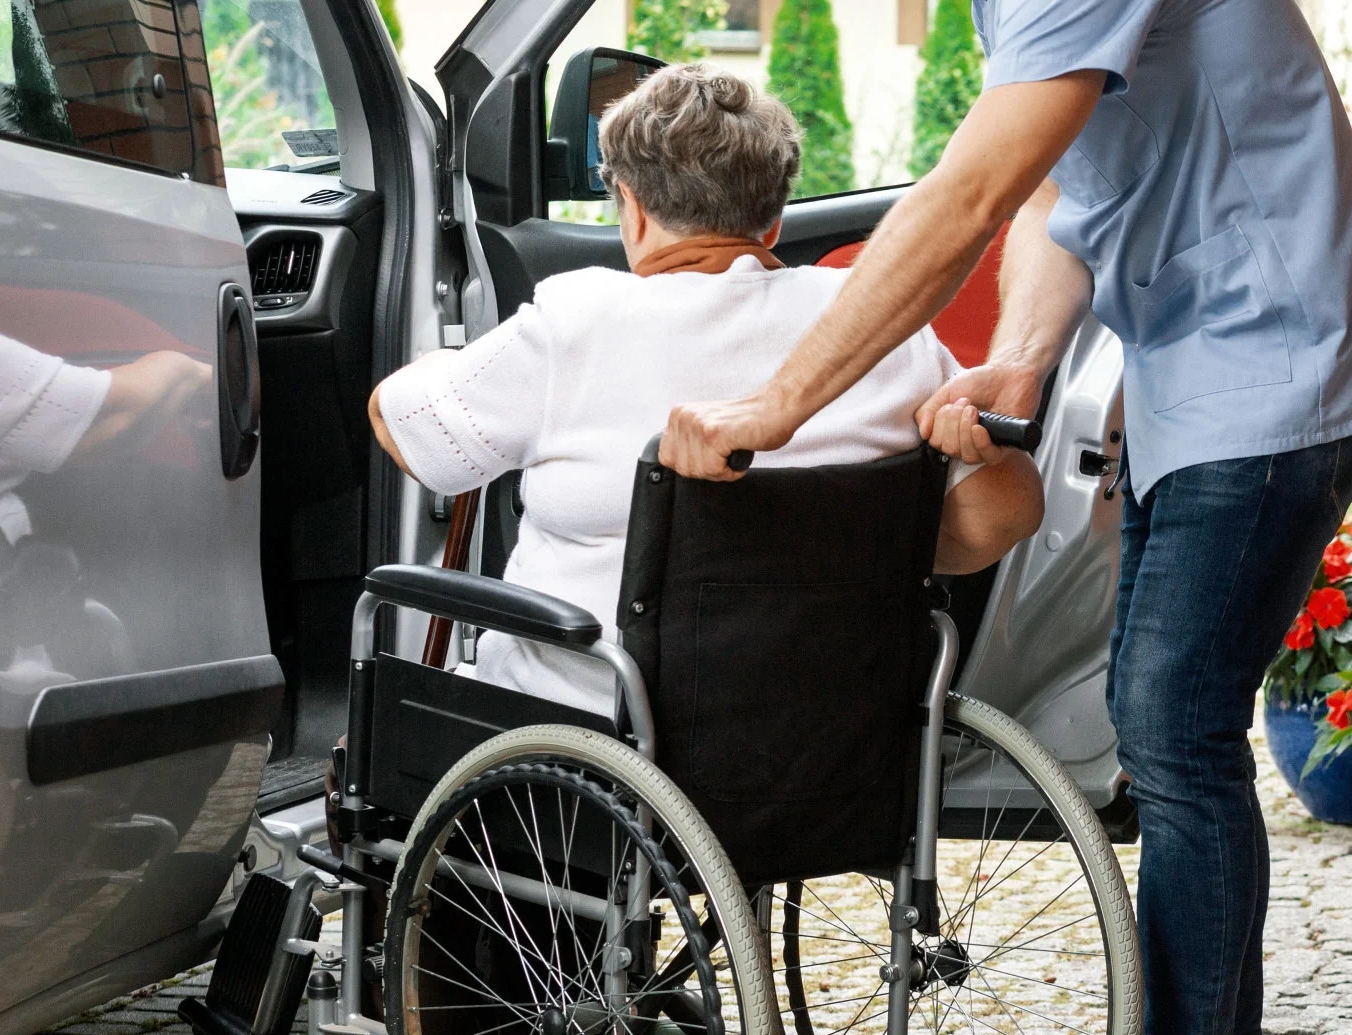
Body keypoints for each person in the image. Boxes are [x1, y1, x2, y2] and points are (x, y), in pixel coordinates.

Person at [657, 1, 1352, 1035]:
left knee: (1174, 738)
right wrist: (1021, 358)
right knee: (1173, 736)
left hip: (1277, 362)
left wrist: (781, 401)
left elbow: (972, 191)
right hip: (1208, 363)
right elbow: (1063, 184)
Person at [366, 63, 1045, 713]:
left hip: (584, 753)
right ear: (772, 220)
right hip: (826, 753)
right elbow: (993, 522)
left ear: (629, 208)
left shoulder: (576, 322)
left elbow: (408, 431)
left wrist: (436, 365)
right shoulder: (881, 328)